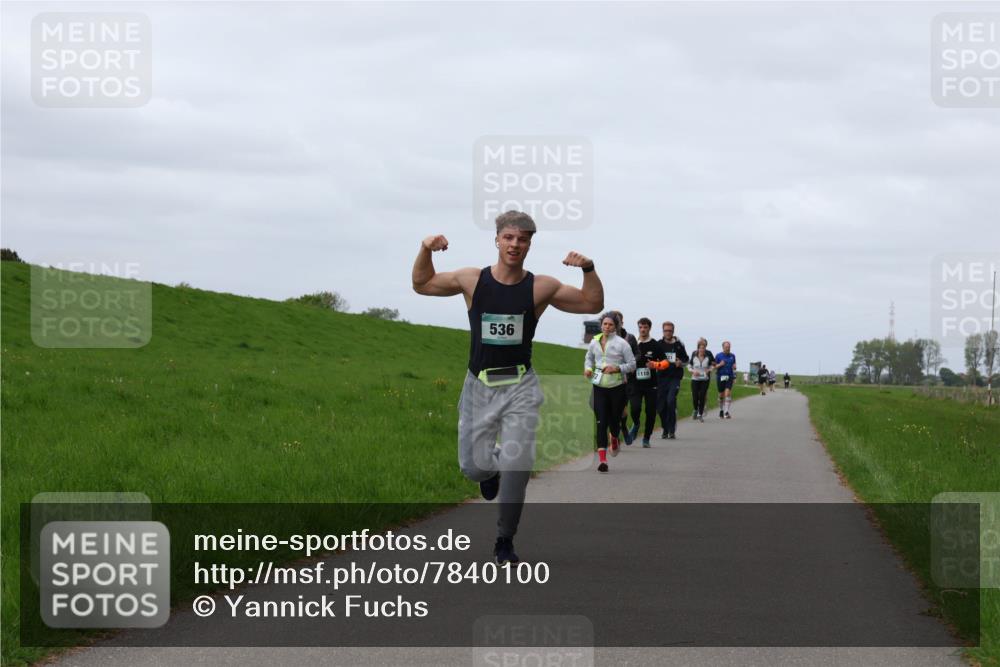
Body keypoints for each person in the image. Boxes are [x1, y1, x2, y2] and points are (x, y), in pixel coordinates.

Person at [411, 210, 603, 564]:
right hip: (478, 386)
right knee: (474, 468)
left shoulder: (540, 286)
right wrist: (425, 249)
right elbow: (422, 284)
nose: (515, 245)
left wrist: (588, 269)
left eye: (523, 239)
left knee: (518, 465)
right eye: (509, 238)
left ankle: (504, 540)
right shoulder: (472, 280)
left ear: (530, 243)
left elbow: (592, 303)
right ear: (497, 240)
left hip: (520, 386)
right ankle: (491, 469)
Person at [585, 313, 636, 472]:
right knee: (601, 422)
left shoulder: (622, 344)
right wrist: (587, 368)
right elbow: (589, 358)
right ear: (601, 325)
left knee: (614, 422)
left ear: (616, 326)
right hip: (599, 386)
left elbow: (632, 365)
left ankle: (614, 436)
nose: (607, 327)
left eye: (610, 325)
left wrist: (617, 368)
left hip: (617, 387)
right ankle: (602, 461)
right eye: (605, 324)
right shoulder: (594, 341)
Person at [629, 317, 664, 447]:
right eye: (641, 327)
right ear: (638, 328)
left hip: (651, 384)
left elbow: (665, 362)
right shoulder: (633, 343)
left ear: (649, 328)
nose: (643, 330)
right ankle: (636, 423)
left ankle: (646, 438)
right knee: (635, 408)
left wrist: (655, 364)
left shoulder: (655, 345)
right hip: (634, 383)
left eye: (645, 327)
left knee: (650, 411)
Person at [652, 321, 688, 439]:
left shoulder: (678, 345)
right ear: (663, 331)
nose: (668, 332)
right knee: (660, 407)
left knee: (670, 401)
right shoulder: (658, 344)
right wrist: (657, 364)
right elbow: (652, 360)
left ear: (673, 331)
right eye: (666, 330)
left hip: (674, 377)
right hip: (661, 378)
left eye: (670, 331)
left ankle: (671, 430)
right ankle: (665, 428)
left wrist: (680, 363)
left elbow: (686, 360)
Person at [612, 310, 639, 444]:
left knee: (622, 408)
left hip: (626, 378)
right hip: (609, 378)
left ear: (621, 323)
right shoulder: (605, 338)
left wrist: (631, 364)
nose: (615, 324)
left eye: (618, 321)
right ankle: (614, 436)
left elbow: (637, 354)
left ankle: (623, 427)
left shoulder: (630, 338)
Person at [688, 338, 714, 422]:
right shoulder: (694, 357)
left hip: (704, 379)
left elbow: (712, 366)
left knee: (702, 396)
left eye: (703, 348)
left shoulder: (708, 357)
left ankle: (700, 414)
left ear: (705, 349)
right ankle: (695, 410)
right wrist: (693, 371)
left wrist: (709, 370)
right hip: (695, 379)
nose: (702, 350)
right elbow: (689, 366)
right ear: (698, 348)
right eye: (700, 348)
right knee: (695, 397)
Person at [713, 341, 737, 419]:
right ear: (723, 347)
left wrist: (734, 372)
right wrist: (720, 364)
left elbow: (734, 366)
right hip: (720, 376)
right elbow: (714, 367)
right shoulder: (718, 356)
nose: (728, 348)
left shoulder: (732, 356)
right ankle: (721, 410)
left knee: (727, 393)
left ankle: (726, 412)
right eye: (726, 347)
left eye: (729, 347)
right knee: (721, 395)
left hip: (729, 376)